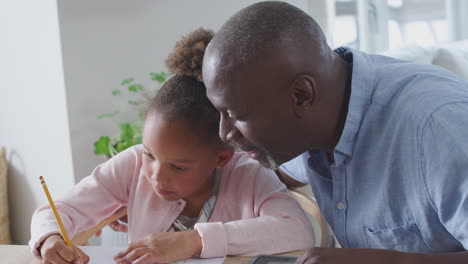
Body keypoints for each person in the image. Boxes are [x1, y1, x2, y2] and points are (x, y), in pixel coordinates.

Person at [202, 1, 468, 263]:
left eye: (237, 116)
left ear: (301, 95)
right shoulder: (316, 116)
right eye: (220, 113)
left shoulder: (440, 131)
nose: (224, 132)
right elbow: (281, 174)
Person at [29, 28, 315, 264]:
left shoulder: (249, 176)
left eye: (178, 166)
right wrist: (50, 238)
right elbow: (58, 211)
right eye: (150, 154)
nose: (156, 176)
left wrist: (193, 240)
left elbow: (298, 230)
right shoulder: (131, 166)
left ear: (222, 159)